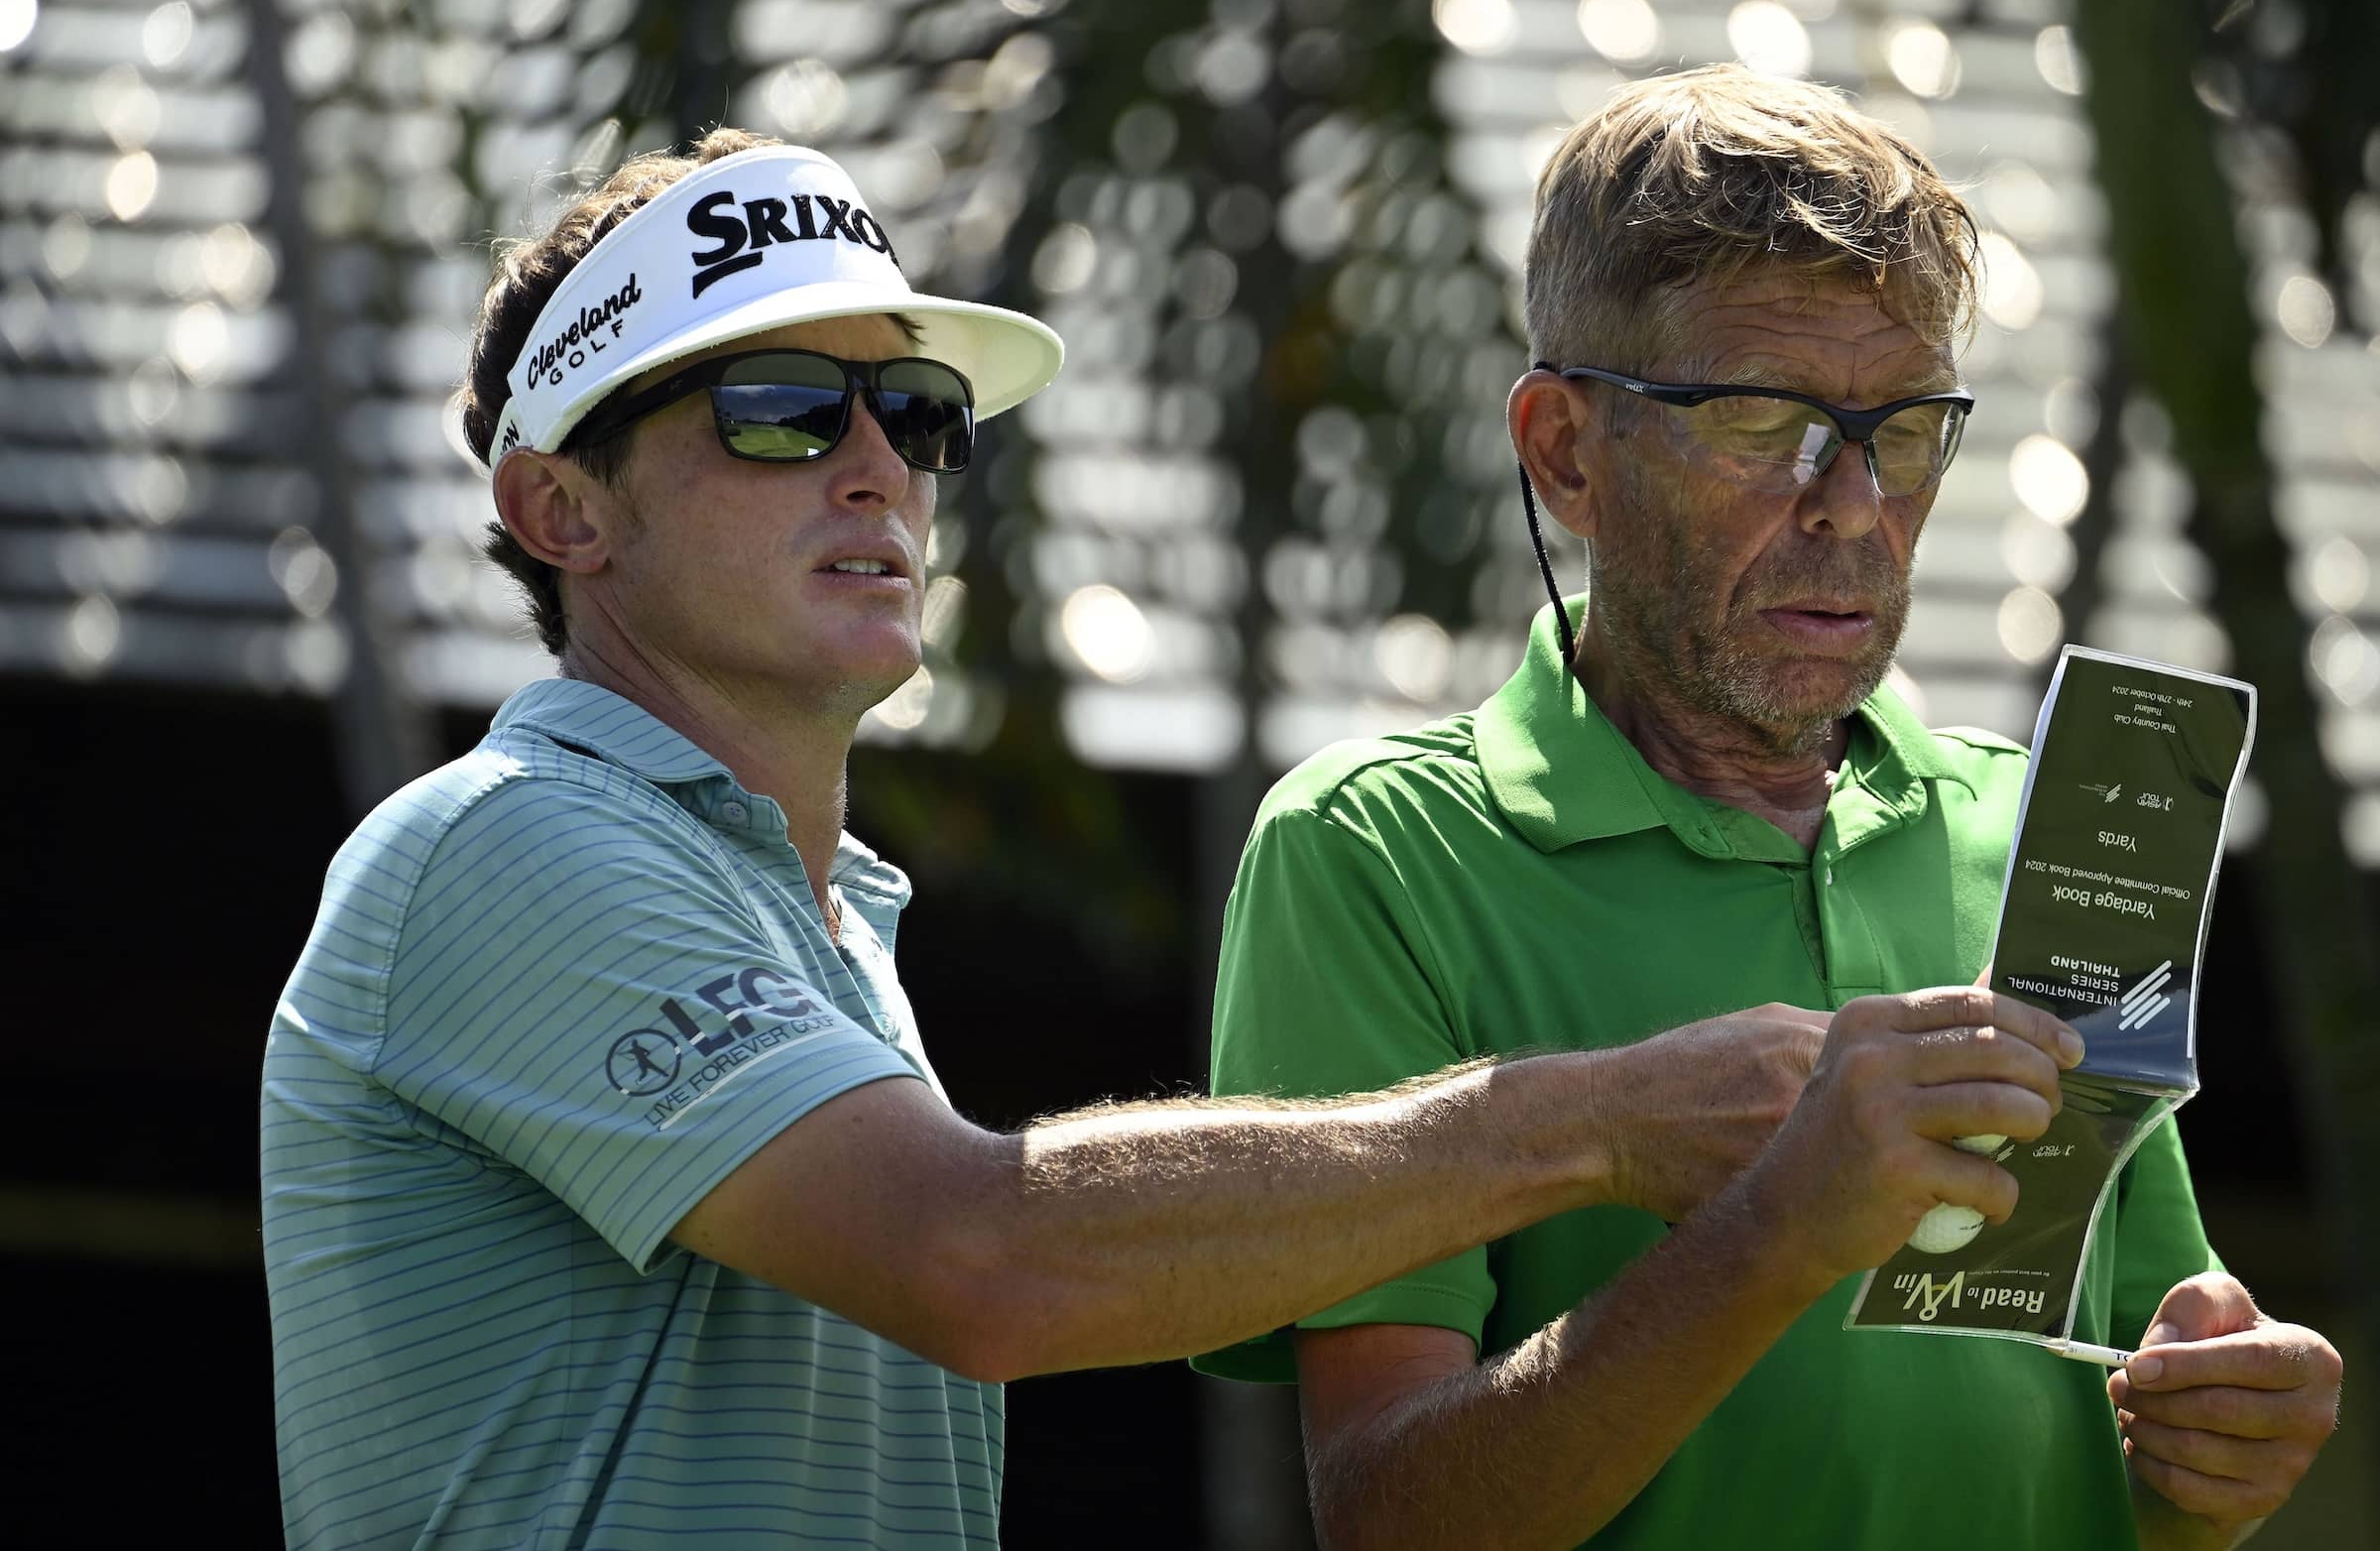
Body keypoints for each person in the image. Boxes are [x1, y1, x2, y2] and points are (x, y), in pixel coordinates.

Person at [257, 130, 1867, 1549]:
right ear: (564, 514)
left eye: (916, 411)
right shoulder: (504, 845)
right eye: (779, 412)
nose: (880, 467)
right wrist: (1593, 1120)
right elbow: (983, 1257)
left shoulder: (803, 918)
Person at [1197, 65, 2340, 1550]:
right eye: (1760, 419)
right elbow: (1393, 1519)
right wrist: (1780, 1230)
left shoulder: (2046, 828)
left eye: (1908, 427)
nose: (1853, 505)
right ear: (1565, 455)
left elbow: (2107, 1451)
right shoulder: (1377, 853)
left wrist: (2217, 1450)